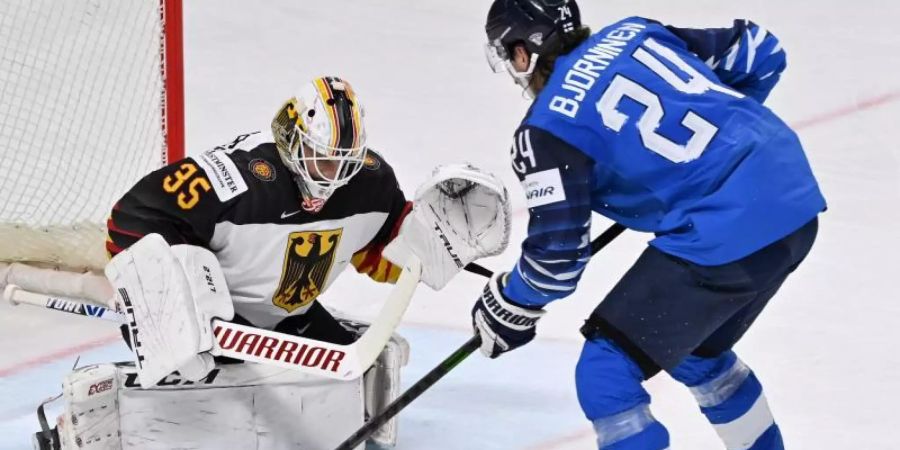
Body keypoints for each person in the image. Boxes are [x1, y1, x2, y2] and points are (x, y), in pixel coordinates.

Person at [35, 75, 511, 449]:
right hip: (212, 321)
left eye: (344, 162)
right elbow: (132, 217)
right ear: (292, 137)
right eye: (322, 159)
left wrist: (436, 245)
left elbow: (383, 253)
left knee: (365, 367)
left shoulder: (369, 182)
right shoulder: (239, 179)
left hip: (285, 318)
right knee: (200, 375)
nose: (332, 175)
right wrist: (166, 301)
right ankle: (97, 415)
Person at [472, 2, 826, 449]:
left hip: (726, 231)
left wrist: (510, 302)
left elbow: (557, 260)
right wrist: (716, 141)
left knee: (605, 374)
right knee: (697, 355)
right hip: (792, 196)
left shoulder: (545, 130)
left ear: (524, 52)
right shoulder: (636, 32)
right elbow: (761, 51)